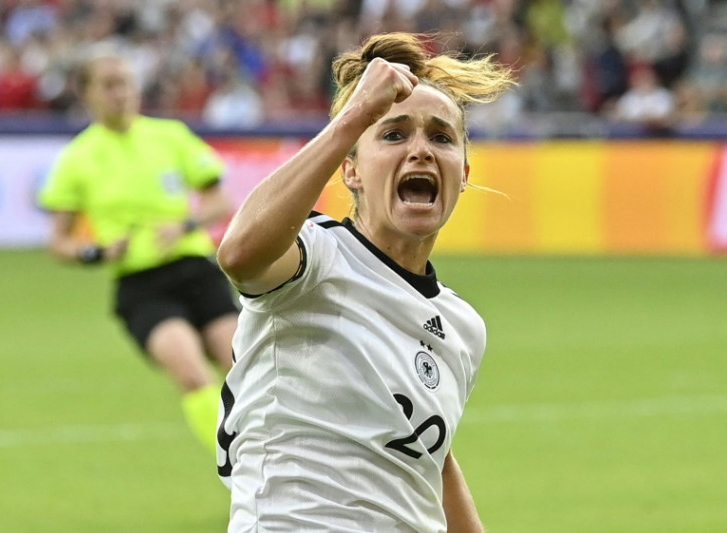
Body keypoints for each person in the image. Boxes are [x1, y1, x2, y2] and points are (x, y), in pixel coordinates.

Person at [215, 32, 514, 532]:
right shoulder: (315, 257)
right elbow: (240, 253)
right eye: (394, 134)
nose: (421, 150)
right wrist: (353, 116)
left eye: (441, 137)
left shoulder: (462, 325)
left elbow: (432, 462)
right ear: (350, 169)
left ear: (462, 172)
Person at [37, 46, 238, 458]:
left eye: (126, 83)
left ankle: (277, 466)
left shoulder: (170, 136)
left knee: (243, 372)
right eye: (109, 85)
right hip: (140, 284)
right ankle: (237, 471)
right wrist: (96, 252)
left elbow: (220, 202)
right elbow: (59, 243)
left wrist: (185, 224)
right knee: (192, 375)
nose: (121, 93)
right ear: (87, 94)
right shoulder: (77, 158)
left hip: (195, 269)